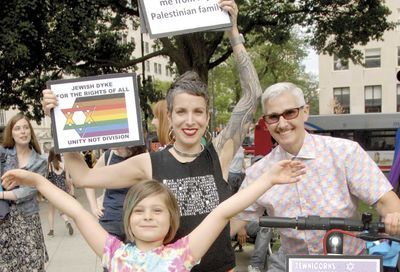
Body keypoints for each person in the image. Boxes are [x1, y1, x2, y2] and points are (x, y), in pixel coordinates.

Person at [42, 1, 262, 270]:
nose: (190, 120)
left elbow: (252, 96)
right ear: (169, 115)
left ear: (207, 117)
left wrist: (233, 32)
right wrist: (60, 119)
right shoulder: (150, 163)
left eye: (198, 112)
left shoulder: (220, 153)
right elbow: (84, 177)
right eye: (181, 112)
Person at [2, 159, 305, 271]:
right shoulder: (114, 253)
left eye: (157, 210)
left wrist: (268, 179)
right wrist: (38, 181)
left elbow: (223, 211)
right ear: (128, 219)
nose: (147, 216)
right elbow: (77, 212)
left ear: (171, 220)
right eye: (139, 210)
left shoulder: (182, 254)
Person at [230, 82, 400, 272]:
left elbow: (385, 201)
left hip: (349, 262)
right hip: (291, 263)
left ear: (305, 111)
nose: (282, 123)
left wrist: (395, 217)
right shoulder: (259, 172)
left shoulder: (345, 152)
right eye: (273, 117)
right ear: (265, 122)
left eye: (290, 113)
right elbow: (235, 220)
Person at [0, 113, 48, 271]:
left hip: (27, 221)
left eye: (26, 127)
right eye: (18, 128)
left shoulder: (40, 162)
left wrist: (1, 194)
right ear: (11, 133)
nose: (23, 132)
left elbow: (28, 192)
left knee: (31, 264)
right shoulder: (3, 155)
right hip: (4, 220)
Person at [85, 145, 148, 241]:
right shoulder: (108, 156)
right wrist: (94, 207)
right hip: (111, 218)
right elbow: (88, 180)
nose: (116, 149)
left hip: (136, 218)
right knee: (110, 254)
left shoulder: (143, 156)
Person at [46, 147, 74, 237]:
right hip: (63, 190)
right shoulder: (63, 164)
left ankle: (51, 230)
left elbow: (48, 179)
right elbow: (68, 180)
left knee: (51, 211)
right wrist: (70, 191)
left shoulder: (49, 165)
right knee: (60, 208)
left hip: (53, 190)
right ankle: (67, 221)